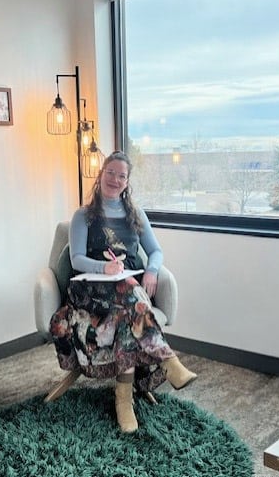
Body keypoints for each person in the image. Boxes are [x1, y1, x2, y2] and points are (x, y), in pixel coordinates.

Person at [50, 150, 197, 433]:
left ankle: (124, 401)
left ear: (127, 182)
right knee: (132, 293)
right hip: (88, 288)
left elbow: (155, 251)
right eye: (111, 173)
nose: (115, 180)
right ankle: (167, 360)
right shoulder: (83, 216)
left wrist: (152, 270)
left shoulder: (135, 214)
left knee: (127, 313)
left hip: (124, 291)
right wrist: (103, 268)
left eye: (122, 176)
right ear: (101, 175)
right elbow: (76, 259)